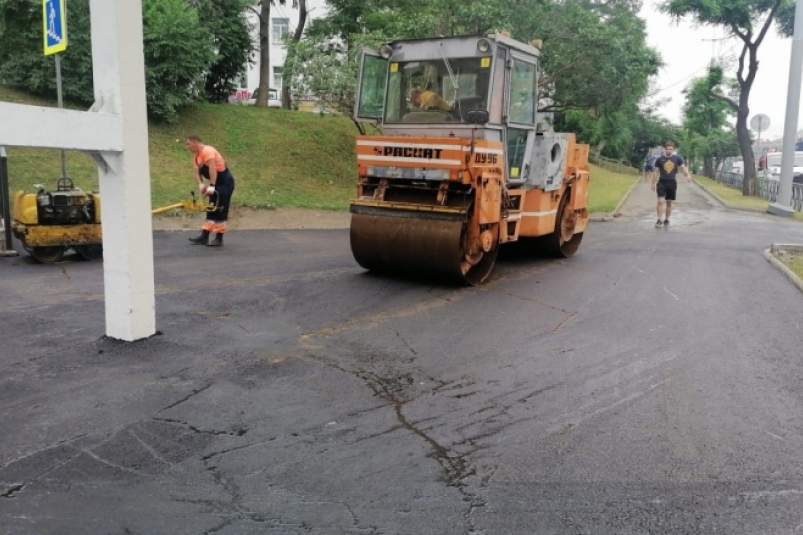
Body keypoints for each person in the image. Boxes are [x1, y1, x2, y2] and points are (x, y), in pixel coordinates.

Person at [184, 135, 236, 246]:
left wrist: (212, 186)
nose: (187, 147)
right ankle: (204, 236)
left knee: (221, 208)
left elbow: (213, 168)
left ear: (195, 142)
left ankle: (219, 238)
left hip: (225, 182)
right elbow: (196, 172)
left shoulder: (207, 151)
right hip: (216, 182)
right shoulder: (197, 157)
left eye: (188, 144)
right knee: (211, 208)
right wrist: (201, 185)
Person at [651, 141, 691, 227]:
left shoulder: (677, 158)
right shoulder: (659, 159)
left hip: (672, 182)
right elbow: (656, 172)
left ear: (673, 150)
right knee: (661, 201)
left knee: (669, 202)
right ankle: (659, 219)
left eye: (671, 149)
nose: (669, 151)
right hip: (662, 182)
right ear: (664, 149)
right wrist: (653, 183)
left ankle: (667, 219)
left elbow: (683, 167)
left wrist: (687, 175)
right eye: (667, 149)